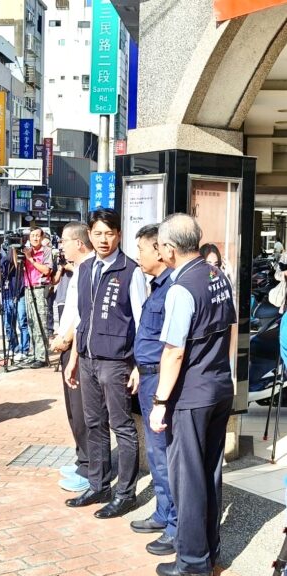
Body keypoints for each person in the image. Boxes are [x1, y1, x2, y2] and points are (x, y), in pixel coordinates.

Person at [150, 214, 236, 576]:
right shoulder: (218, 276)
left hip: (193, 394)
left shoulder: (182, 288)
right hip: (219, 386)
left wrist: (158, 401)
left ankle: (193, 561)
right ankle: (208, 549)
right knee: (209, 472)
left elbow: (173, 352)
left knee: (188, 478)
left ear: (169, 249)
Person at [64, 208, 147, 518]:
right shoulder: (85, 270)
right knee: (93, 424)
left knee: (122, 427)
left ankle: (126, 493)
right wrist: (74, 357)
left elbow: (141, 322)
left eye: (109, 233)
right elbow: (81, 318)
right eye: (97, 233)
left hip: (116, 363)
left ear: (119, 235)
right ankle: (99, 485)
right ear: (90, 234)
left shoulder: (130, 271)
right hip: (87, 358)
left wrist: (137, 365)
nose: (103, 239)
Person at [128, 224, 177, 556]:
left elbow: (173, 346)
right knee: (156, 454)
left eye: (142, 249)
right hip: (145, 375)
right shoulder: (156, 286)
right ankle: (163, 513)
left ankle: (175, 524)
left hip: (159, 379)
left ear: (159, 250)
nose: (139, 256)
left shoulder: (172, 288)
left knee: (163, 455)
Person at [49, 222, 93, 493]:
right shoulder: (78, 270)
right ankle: (82, 460)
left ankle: (89, 467)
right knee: (73, 409)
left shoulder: (88, 269)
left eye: (64, 241)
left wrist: (66, 339)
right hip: (67, 344)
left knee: (82, 410)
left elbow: (81, 316)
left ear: (78, 242)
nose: (61, 246)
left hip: (77, 347)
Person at [23, 227, 52, 367]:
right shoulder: (25, 251)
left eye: (37, 236)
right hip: (28, 288)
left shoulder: (46, 251)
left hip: (40, 288)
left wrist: (31, 260)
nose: (35, 238)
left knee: (41, 322)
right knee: (31, 322)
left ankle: (42, 356)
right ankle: (34, 353)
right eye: (32, 236)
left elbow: (46, 270)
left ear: (41, 237)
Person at [0, 242, 30, 361]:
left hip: (20, 293)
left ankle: (24, 350)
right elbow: (0, 273)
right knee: (8, 325)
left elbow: (19, 269)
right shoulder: (3, 259)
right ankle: (14, 348)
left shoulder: (22, 257)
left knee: (22, 323)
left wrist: (15, 251)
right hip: (7, 294)